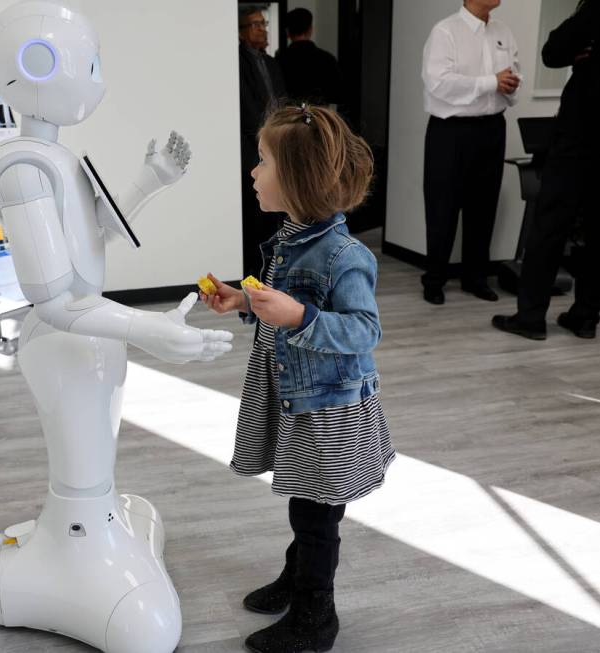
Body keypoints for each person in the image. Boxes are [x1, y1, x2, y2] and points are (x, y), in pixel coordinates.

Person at [200, 105, 395, 653]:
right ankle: (297, 576)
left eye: (262, 162)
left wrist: (301, 318)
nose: (253, 172)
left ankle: (317, 613)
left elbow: (364, 330)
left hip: (327, 411)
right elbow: (282, 302)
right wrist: (244, 300)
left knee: (316, 510)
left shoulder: (343, 254)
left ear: (297, 179)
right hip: (294, 396)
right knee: (306, 502)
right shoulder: (291, 237)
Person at [493, 0, 600, 340]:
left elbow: (553, 52)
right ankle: (585, 317)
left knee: (550, 224)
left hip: (580, 135)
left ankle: (531, 317)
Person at [420, 0, 520, 305]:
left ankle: (475, 278)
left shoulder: (503, 32)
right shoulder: (445, 31)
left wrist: (510, 84)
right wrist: (492, 82)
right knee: (443, 208)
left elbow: (515, 75)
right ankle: (434, 280)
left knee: (483, 206)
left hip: (492, 128)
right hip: (451, 132)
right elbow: (438, 82)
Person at [239, 6, 287, 279]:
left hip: (277, 147)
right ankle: (254, 272)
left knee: (276, 212)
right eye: (256, 24)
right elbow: (246, 109)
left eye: (263, 23)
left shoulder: (271, 62)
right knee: (256, 214)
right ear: (242, 32)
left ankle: (273, 270)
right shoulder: (238, 62)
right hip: (252, 150)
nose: (263, 29)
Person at [275, 8, 342, 106]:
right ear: (310, 30)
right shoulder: (327, 59)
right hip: (319, 116)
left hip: (289, 117)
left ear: (287, 32)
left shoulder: (277, 62)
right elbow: (337, 95)